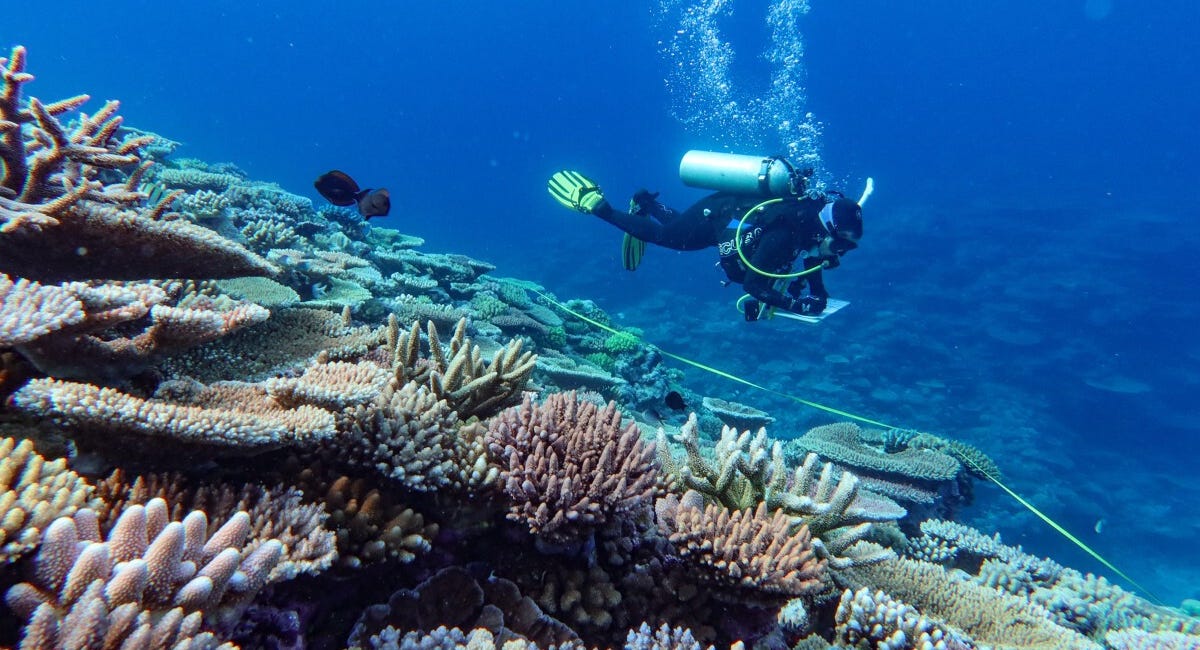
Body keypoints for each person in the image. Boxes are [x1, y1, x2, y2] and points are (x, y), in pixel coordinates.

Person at [547, 152, 864, 320]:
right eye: (839, 244)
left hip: (733, 222)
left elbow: (812, 263)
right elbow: (754, 285)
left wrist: (816, 296)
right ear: (825, 228)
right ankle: (601, 207)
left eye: (846, 248)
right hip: (723, 211)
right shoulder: (785, 235)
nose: (839, 253)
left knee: (685, 234)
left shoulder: (809, 229)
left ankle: (648, 202)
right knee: (668, 238)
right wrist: (796, 305)